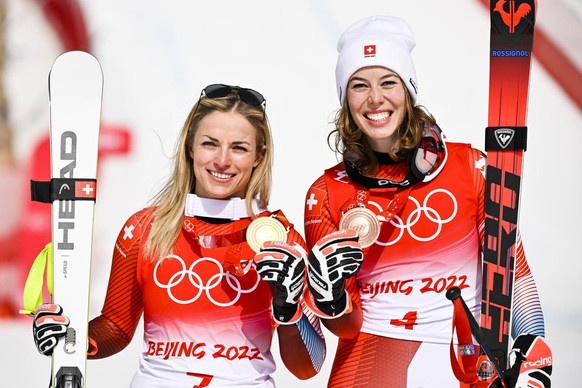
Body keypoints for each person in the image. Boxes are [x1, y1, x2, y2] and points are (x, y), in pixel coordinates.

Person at [302, 16, 552, 387]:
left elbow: (512, 270)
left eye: (389, 82)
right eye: (359, 85)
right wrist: (329, 297)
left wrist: (534, 347)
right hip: (371, 363)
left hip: (465, 354)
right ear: (344, 99)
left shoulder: (470, 167)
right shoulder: (325, 192)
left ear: (409, 90)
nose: (375, 98)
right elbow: (344, 326)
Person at [30, 83, 326, 387]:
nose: (222, 160)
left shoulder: (279, 240)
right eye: (210, 144)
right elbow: (116, 328)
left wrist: (289, 310)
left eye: (239, 148)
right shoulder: (145, 229)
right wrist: (71, 340)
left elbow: (308, 366)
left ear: (258, 156)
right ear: (190, 146)